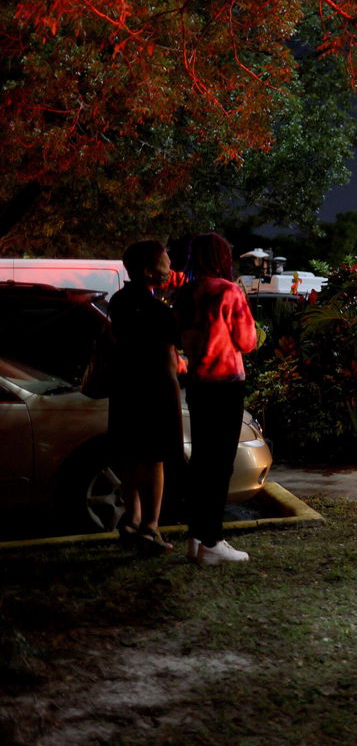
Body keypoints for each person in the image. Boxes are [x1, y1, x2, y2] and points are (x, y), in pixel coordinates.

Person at [175, 233, 258, 565]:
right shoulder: (228, 291)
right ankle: (212, 541)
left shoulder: (185, 292)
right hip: (225, 383)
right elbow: (248, 340)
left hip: (197, 383)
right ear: (223, 257)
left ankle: (197, 537)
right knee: (220, 464)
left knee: (202, 462)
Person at [108, 240, 182, 556]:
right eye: (165, 263)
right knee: (154, 459)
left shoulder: (118, 301)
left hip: (125, 386)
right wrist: (176, 388)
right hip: (155, 389)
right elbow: (168, 356)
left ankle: (131, 518)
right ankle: (150, 528)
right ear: (148, 270)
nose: (170, 268)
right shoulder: (158, 311)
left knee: (129, 454)